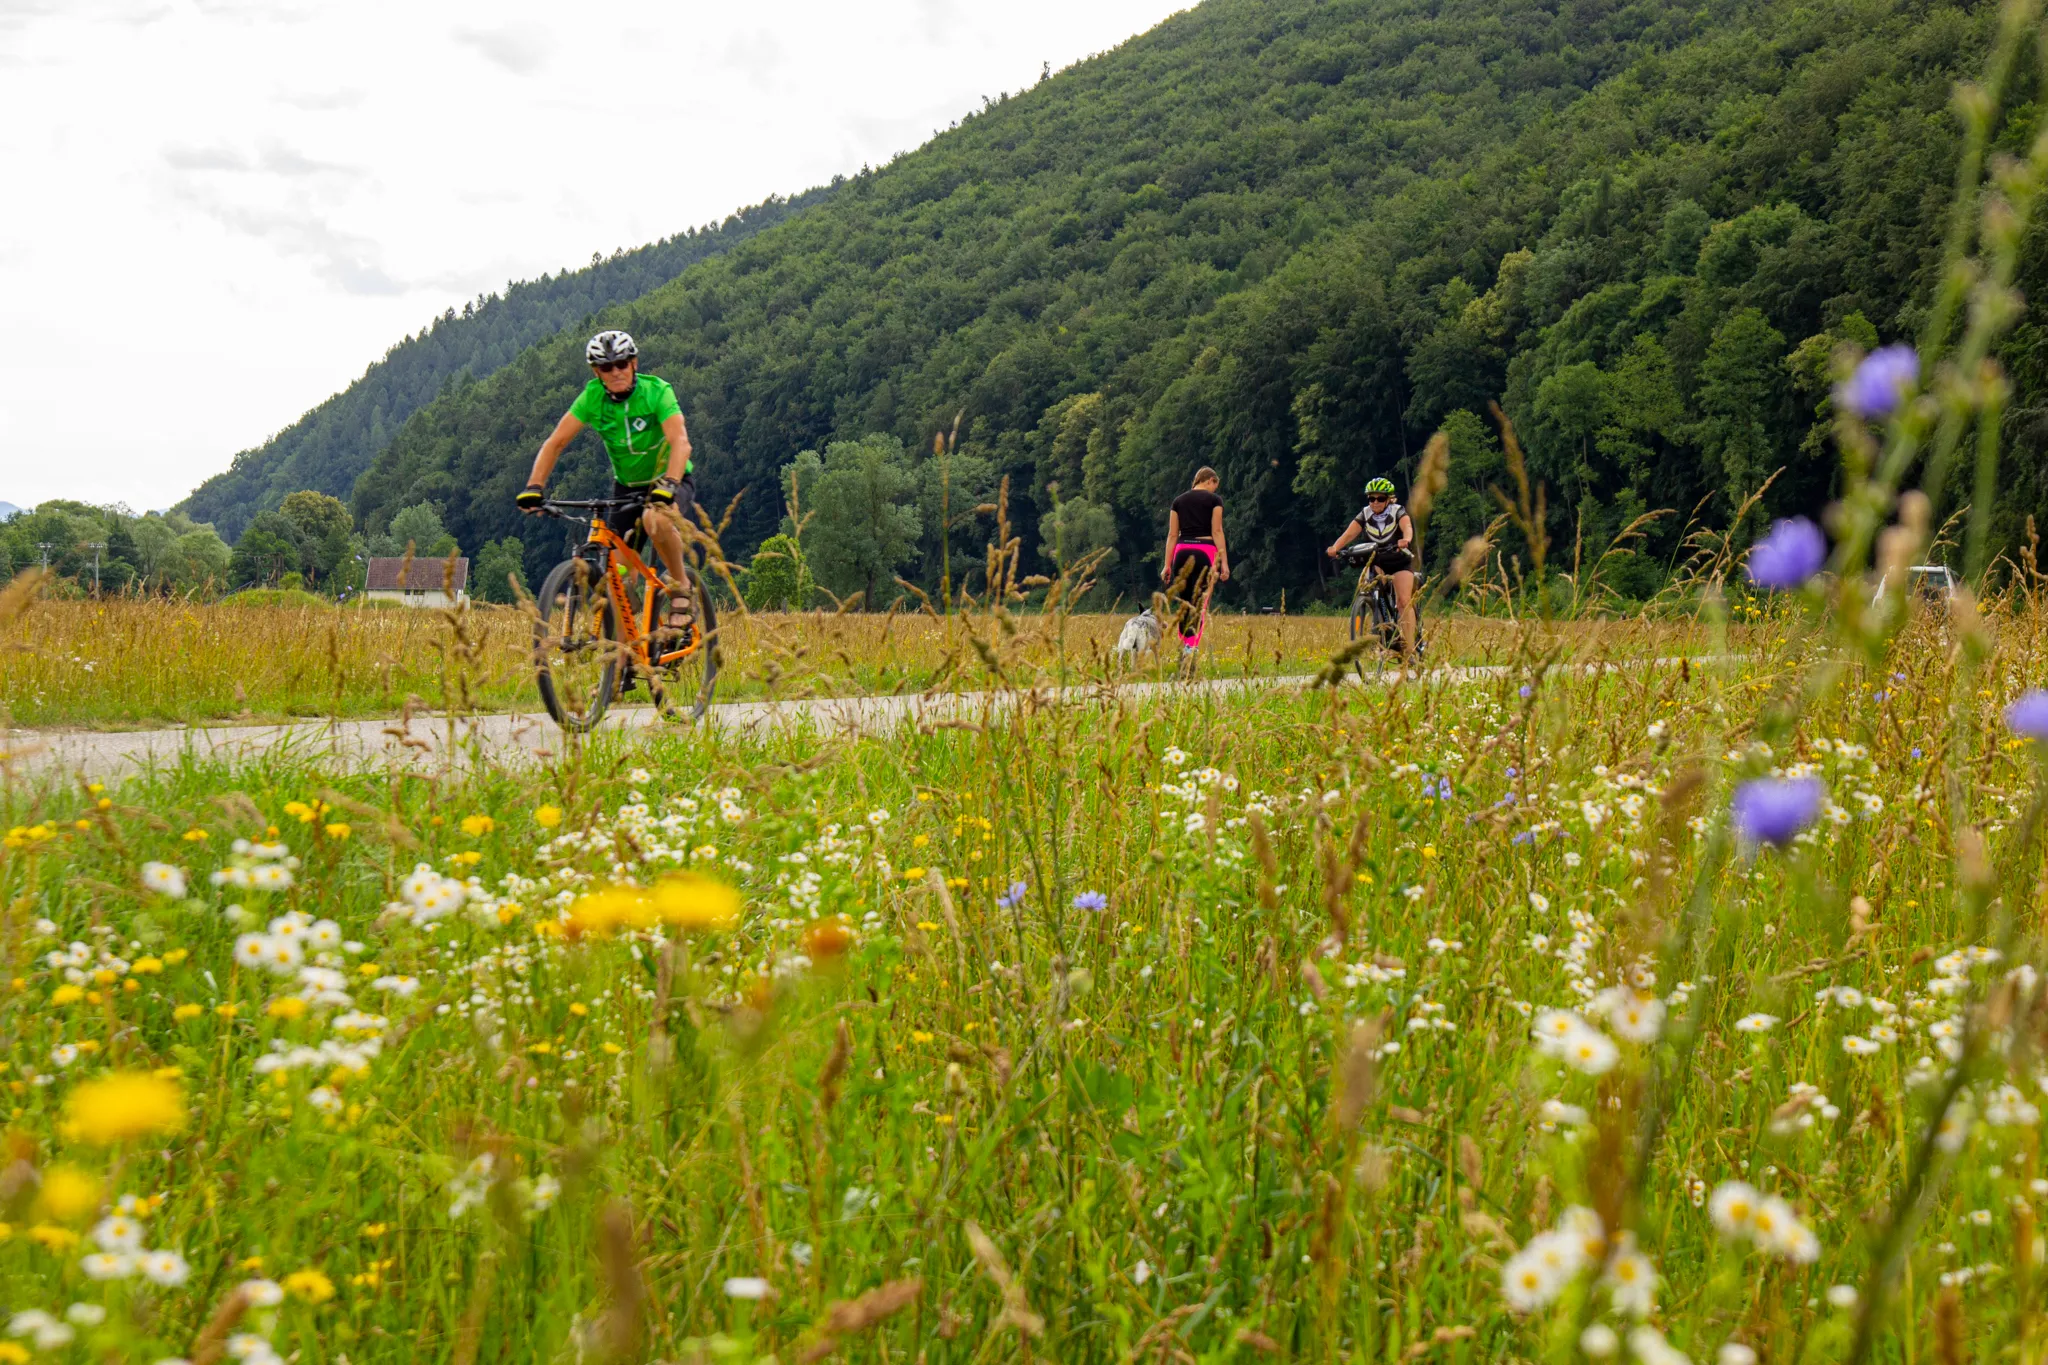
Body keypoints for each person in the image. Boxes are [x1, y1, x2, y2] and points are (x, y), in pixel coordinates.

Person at [517, 330, 696, 634]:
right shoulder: (592, 397)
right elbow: (556, 442)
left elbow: (680, 442)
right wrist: (534, 487)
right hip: (626, 487)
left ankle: (681, 588)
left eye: (622, 364)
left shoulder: (657, 391)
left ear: (633, 363)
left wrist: (669, 484)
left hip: (669, 478)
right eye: (606, 367)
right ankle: (621, 669)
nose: (615, 372)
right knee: (614, 580)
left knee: (655, 521)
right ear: (596, 372)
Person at [1326, 476, 1416, 653]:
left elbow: (1407, 527)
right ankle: (1379, 627)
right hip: (1377, 560)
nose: (1375, 502)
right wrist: (1335, 547)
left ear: (1389, 499)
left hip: (1398, 561)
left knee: (1403, 601)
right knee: (1370, 589)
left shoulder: (1398, 511)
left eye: (1380, 498)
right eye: (1371, 498)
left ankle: (1410, 647)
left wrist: (1406, 540)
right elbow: (1349, 534)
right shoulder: (1365, 514)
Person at [1161, 467, 1229, 646]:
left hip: (1182, 552)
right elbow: (1217, 531)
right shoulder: (1215, 500)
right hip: (1205, 551)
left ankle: (1184, 645)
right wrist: (1224, 564)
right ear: (1209, 480)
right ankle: (1192, 648)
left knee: (1184, 603)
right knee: (1200, 603)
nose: (1215, 489)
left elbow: (1172, 535)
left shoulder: (1178, 501)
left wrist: (1167, 565)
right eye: (1215, 485)